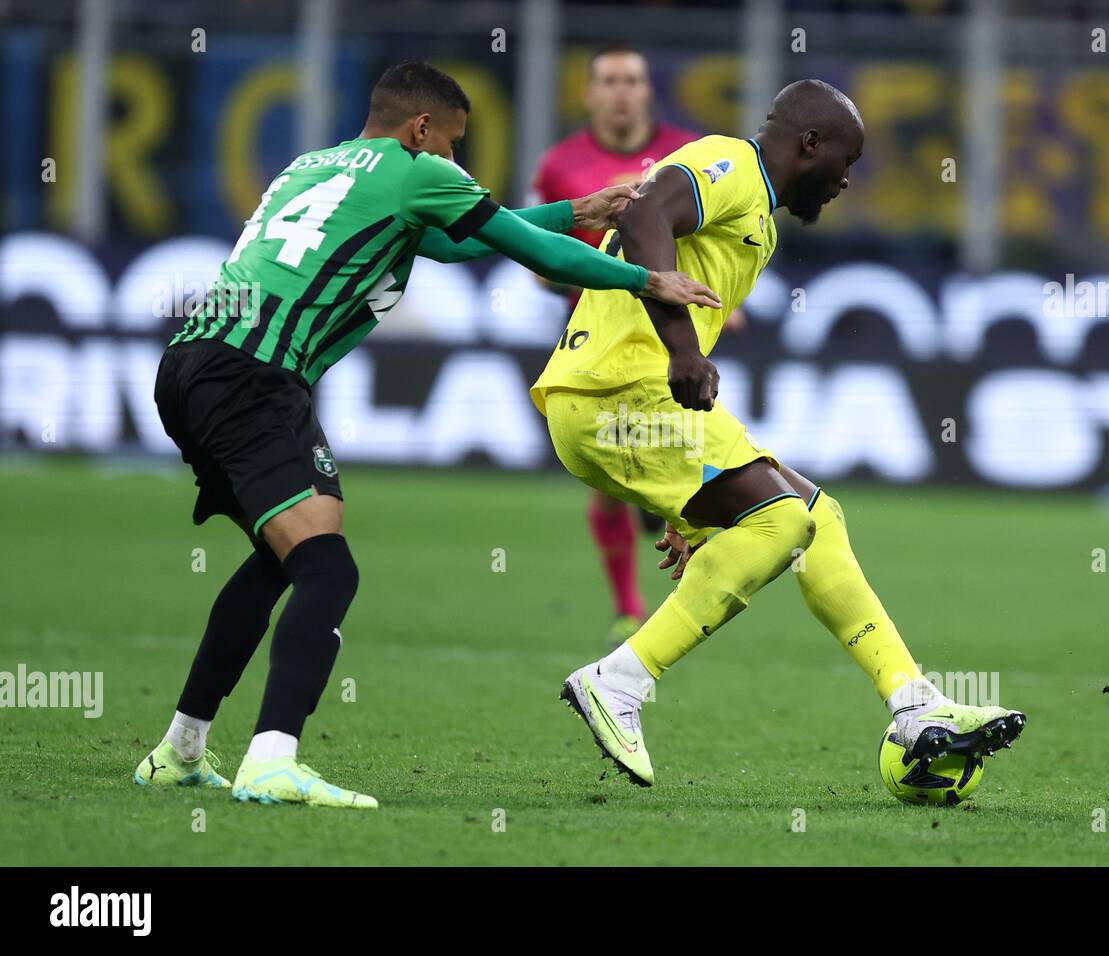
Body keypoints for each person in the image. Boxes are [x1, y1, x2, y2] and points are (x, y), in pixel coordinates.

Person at [135, 60, 719, 809]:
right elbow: (523, 250)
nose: (455, 160)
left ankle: (180, 750)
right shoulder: (416, 170)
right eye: (452, 143)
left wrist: (577, 208)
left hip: (188, 364)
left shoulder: (312, 166)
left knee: (279, 559)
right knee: (328, 571)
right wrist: (648, 281)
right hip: (254, 376)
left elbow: (450, 244)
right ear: (420, 130)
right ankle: (273, 759)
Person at [531, 79, 1026, 787]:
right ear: (809, 145)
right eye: (845, 161)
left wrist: (689, 505)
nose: (846, 180)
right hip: (616, 394)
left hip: (626, 403)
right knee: (780, 522)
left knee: (818, 518)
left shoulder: (757, 217)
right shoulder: (731, 165)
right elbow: (646, 215)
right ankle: (621, 680)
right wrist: (683, 351)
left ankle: (915, 706)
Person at [530, 41, 736, 647]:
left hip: (671, 335)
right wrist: (604, 275)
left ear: (648, 91)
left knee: (672, 465)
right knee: (614, 472)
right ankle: (629, 607)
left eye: (632, 80)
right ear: (590, 94)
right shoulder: (559, 165)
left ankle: (685, 567)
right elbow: (538, 261)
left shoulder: (686, 156)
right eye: (609, 81)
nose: (621, 91)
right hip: (597, 337)